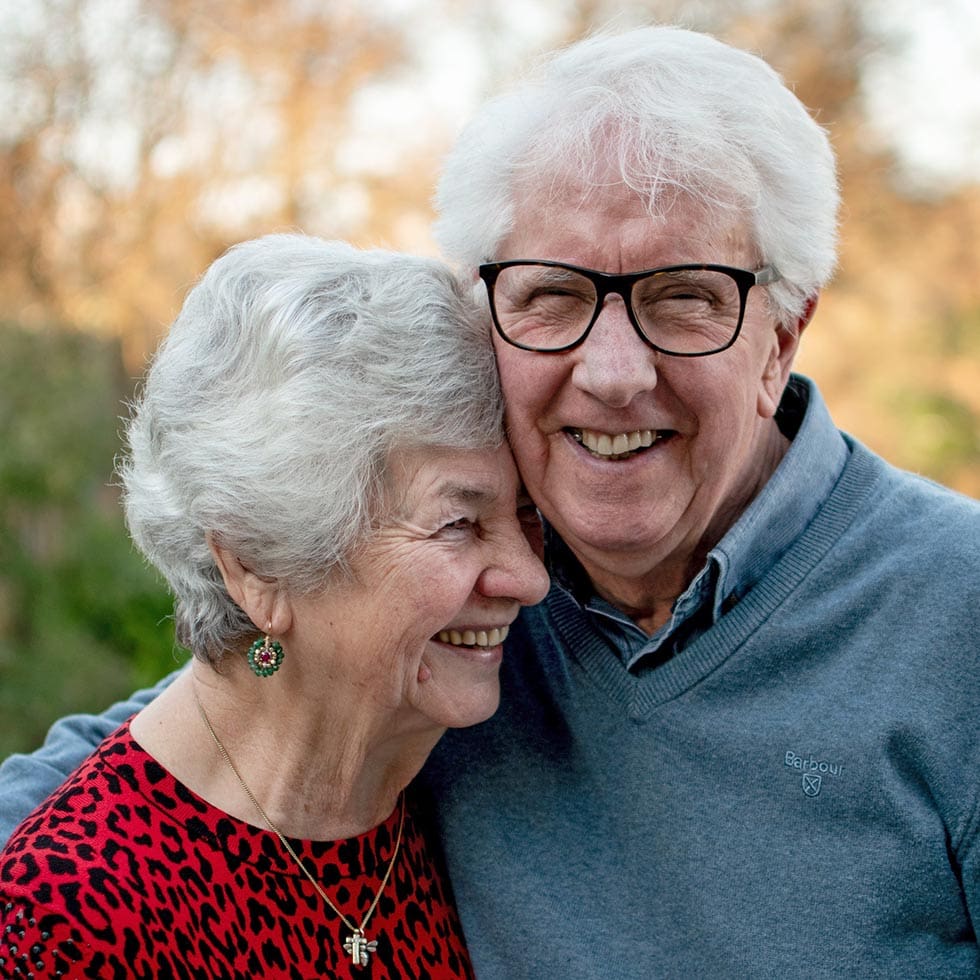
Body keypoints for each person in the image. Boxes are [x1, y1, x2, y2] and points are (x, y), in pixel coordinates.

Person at [2, 25, 979, 978]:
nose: (611, 372)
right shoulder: (483, 605)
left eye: (684, 294)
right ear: (490, 309)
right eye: (553, 293)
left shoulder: (953, 615)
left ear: (780, 334)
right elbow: (242, 700)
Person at [0, 234, 549, 978]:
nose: (528, 578)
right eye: (459, 523)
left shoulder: (450, 793)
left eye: (525, 515)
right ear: (258, 564)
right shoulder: (64, 919)